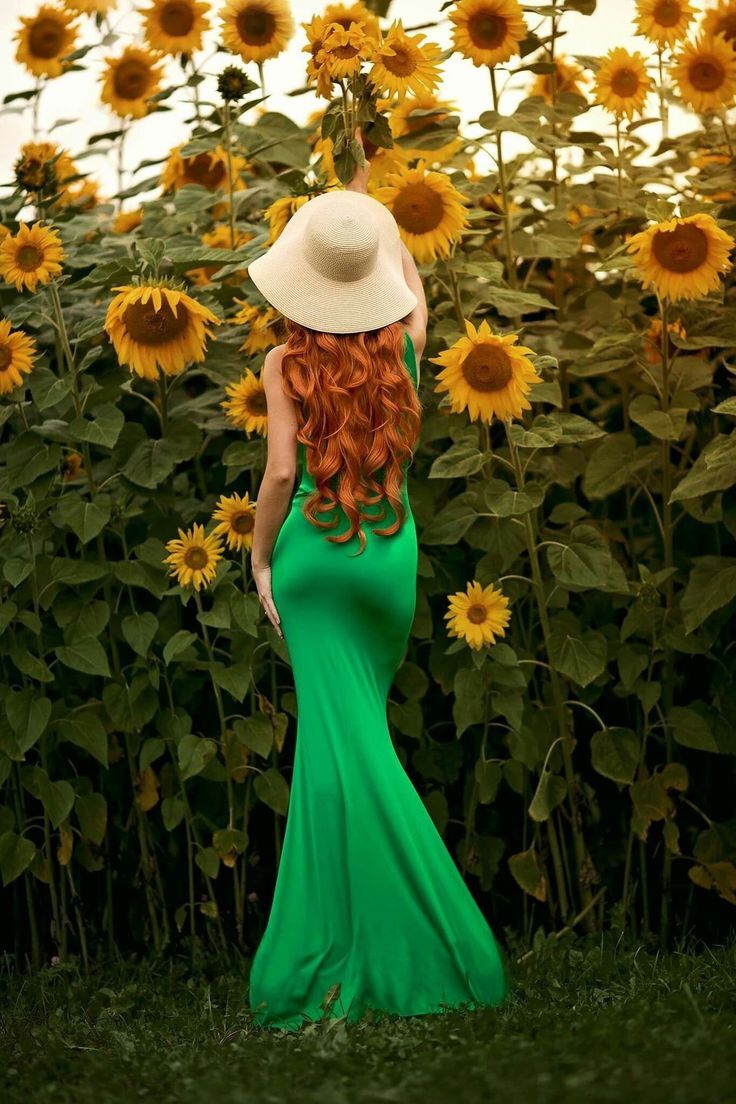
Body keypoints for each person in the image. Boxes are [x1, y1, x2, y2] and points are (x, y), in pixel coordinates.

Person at [244, 132, 507, 1031]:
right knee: (361, 741)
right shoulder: (402, 345)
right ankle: (388, 936)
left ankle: (379, 950)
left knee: (337, 750)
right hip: (387, 556)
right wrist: (373, 211)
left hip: (315, 559)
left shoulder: (285, 363)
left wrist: (258, 555)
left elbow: (281, 474)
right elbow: (401, 276)